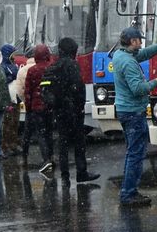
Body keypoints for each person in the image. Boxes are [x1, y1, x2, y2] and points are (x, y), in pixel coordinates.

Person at [113, 26, 157, 207]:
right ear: (132, 41)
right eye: (139, 40)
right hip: (134, 113)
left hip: (125, 111)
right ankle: (129, 194)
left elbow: (144, 54)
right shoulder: (128, 62)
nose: (141, 43)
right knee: (136, 154)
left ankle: (128, 191)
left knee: (131, 152)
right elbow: (138, 89)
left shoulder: (121, 55)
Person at [42, 37, 98, 184]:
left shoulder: (52, 67)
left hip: (59, 111)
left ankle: (65, 175)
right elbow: (78, 88)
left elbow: (44, 89)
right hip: (73, 110)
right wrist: (78, 107)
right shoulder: (72, 65)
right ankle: (81, 172)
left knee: (63, 143)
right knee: (79, 143)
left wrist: (55, 104)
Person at [23, 44, 55, 174]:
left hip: (37, 107)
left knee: (41, 133)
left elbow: (28, 91)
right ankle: (51, 157)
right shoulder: (52, 68)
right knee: (49, 133)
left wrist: (28, 107)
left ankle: (46, 160)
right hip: (50, 106)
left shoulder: (32, 70)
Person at [14, 46, 37, 165]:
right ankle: (47, 155)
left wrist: (26, 100)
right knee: (44, 130)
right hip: (42, 105)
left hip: (29, 104)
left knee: (27, 130)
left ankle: (25, 151)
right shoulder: (43, 67)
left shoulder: (22, 70)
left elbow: (19, 90)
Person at [0, 43, 21, 155]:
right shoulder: (2, 66)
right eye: (13, 54)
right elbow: (1, 82)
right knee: (7, 124)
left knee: (14, 123)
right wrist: (11, 77)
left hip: (15, 98)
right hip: (7, 100)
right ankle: (5, 146)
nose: (14, 56)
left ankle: (13, 144)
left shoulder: (14, 65)